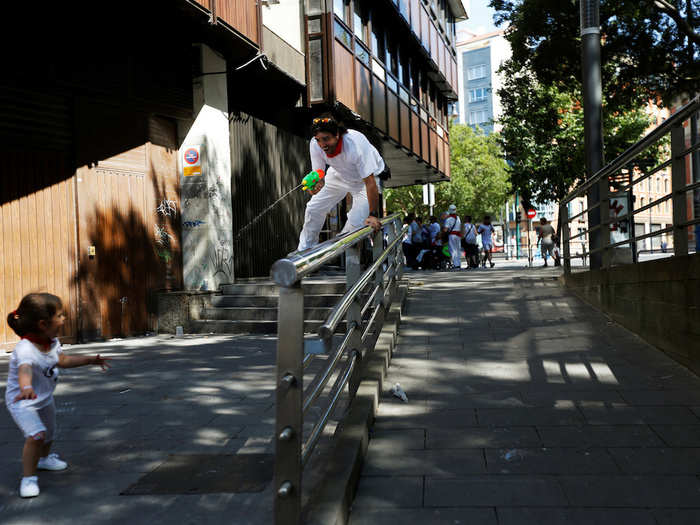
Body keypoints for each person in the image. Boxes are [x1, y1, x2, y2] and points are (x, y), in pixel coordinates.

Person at [5, 293, 111, 498]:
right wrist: (25, 387)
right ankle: (28, 479)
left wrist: (89, 360)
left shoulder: (51, 342)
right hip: (23, 402)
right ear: (44, 323)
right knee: (36, 435)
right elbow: (24, 369)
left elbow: (62, 360)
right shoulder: (25, 348)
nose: (64, 319)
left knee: (50, 433)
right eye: (60, 316)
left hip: (44, 398)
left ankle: (43, 460)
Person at [297, 115, 383, 251]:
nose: (322, 145)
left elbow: (370, 182)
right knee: (313, 208)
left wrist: (372, 215)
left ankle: (334, 251)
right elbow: (319, 172)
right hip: (339, 174)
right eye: (319, 140)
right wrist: (314, 186)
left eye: (326, 139)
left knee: (353, 229)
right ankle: (304, 252)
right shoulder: (315, 144)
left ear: (337, 135)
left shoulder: (354, 144)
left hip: (364, 182)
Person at [443, 204, 462, 270]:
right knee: (458, 250)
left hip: (452, 235)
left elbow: (445, 229)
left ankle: (456, 265)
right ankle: (458, 264)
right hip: (458, 235)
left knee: (452, 250)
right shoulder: (458, 218)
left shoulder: (448, 219)